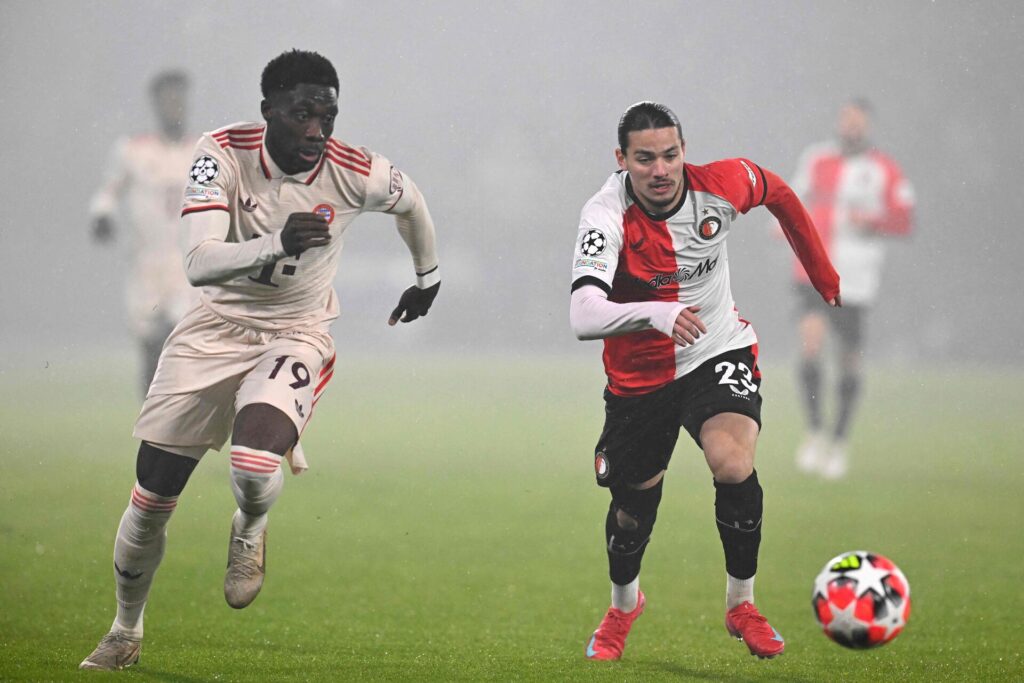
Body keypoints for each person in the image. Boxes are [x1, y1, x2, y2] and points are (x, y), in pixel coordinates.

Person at [80, 49, 441, 671]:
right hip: (212, 330)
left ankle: (249, 528)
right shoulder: (219, 152)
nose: (316, 130)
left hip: (296, 331)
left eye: (327, 115)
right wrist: (276, 244)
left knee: (251, 464)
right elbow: (197, 262)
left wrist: (427, 277)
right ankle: (125, 630)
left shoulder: (356, 169)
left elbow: (414, 205)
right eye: (302, 113)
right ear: (269, 109)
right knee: (148, 503)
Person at [570, 102, 839, 661]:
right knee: (631, 512)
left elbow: (781, 194)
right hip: (639, 379)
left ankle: (742, 603)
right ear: (622, 160)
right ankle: (624, 606)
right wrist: (657, 312)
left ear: (684, 151)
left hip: (716, 347)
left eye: (671, 154)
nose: (661, 170)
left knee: (734, 461)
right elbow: (583, 314)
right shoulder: (603, 215)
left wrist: (821, 270)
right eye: (645, 159)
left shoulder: (721, 184)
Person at [790, 98, 914, 480]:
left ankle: (839, 441)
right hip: (813, 270)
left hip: (855, 280)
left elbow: (905, 219)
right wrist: (786, 224)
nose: (851, 127)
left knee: (848, 358)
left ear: (868, 126)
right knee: (810, 343)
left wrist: (875, 221)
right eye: (846, 119)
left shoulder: (884, 170)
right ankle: (813, 433)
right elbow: (790, 199)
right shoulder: (816, 159)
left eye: (858, 121)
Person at [89, 70, 199, 395]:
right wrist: (102, 215)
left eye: (179, 99)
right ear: (156, 105)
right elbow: (109, 191)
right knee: (151, 346)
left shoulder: (202, 150)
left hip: (187, 262)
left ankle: (176, 422)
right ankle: (151, 423)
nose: (174, 107)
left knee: (181, 344)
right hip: (146, 262)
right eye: (168, 100)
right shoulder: (133, 150)